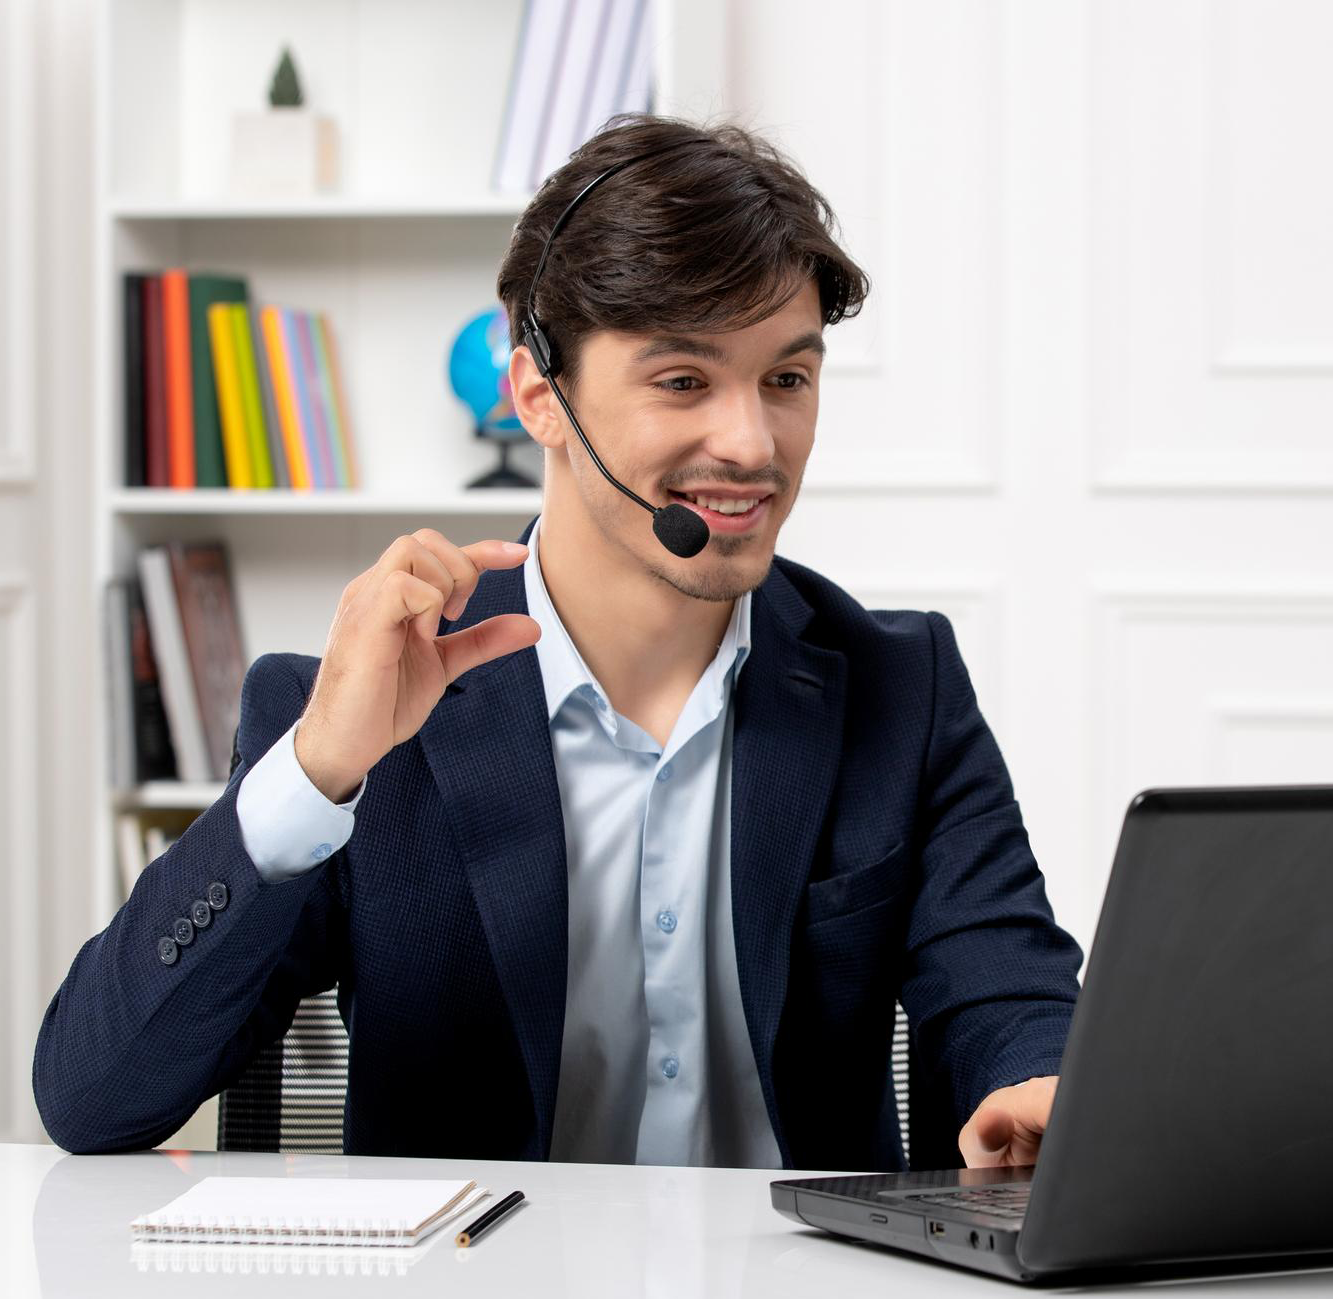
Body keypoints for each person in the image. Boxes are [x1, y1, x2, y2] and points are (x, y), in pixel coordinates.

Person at [33, 114, 1082, 1170]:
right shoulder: (364, 715)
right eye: (683, 381)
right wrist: (315, 774)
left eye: (786, 379)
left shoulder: (900, 688)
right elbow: (91, 1097)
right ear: (541, 398)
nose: (753, 445)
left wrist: (1034, 1085)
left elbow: (1007, 990)